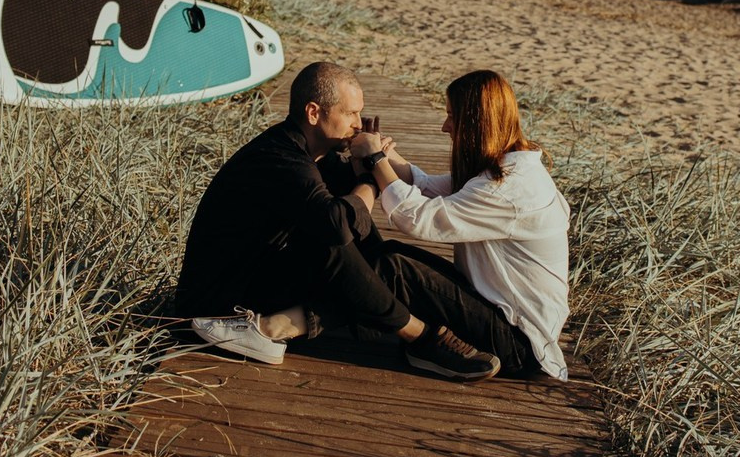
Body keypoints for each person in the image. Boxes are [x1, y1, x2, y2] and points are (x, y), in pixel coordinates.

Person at [175, 61, 501, 380]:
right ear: (314, 113)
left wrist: (374, 164)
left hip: (258, 276)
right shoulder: (280, 159)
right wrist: (371, 177)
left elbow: (352, 195)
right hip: (220, 304)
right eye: (350, 113)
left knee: (358, 245)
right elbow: (338, 222)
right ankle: (420, 336)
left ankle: (402, 320)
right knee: (335, 240)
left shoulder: (316, 154)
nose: (358, 124)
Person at [362, 69, 570, 380]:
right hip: (501, 313)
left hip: (519, 343)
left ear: (476, 123)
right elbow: (426, 186)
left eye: (451, 116)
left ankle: (290, 324)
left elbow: (418, 218)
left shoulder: (509, 189)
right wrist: (385, 152)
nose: (444, 126)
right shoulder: (506, 167)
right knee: (389, 253)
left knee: (394, 267)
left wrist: (375, 160)